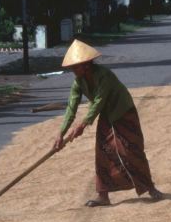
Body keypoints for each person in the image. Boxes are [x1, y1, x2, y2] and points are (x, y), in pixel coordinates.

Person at [53, 39, 163, 207]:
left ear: (87, 65)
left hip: (123, 111)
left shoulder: (104, 75)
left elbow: (98, 101)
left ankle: (150, 187)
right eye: (72, 68)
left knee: (131, 150)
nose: (73, 71)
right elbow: (71, 107)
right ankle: (103, 195)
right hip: (106, 114)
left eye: (76, 67)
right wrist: (61, 134)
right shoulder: (78, 83)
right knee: (103, 151)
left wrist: (82, 125)